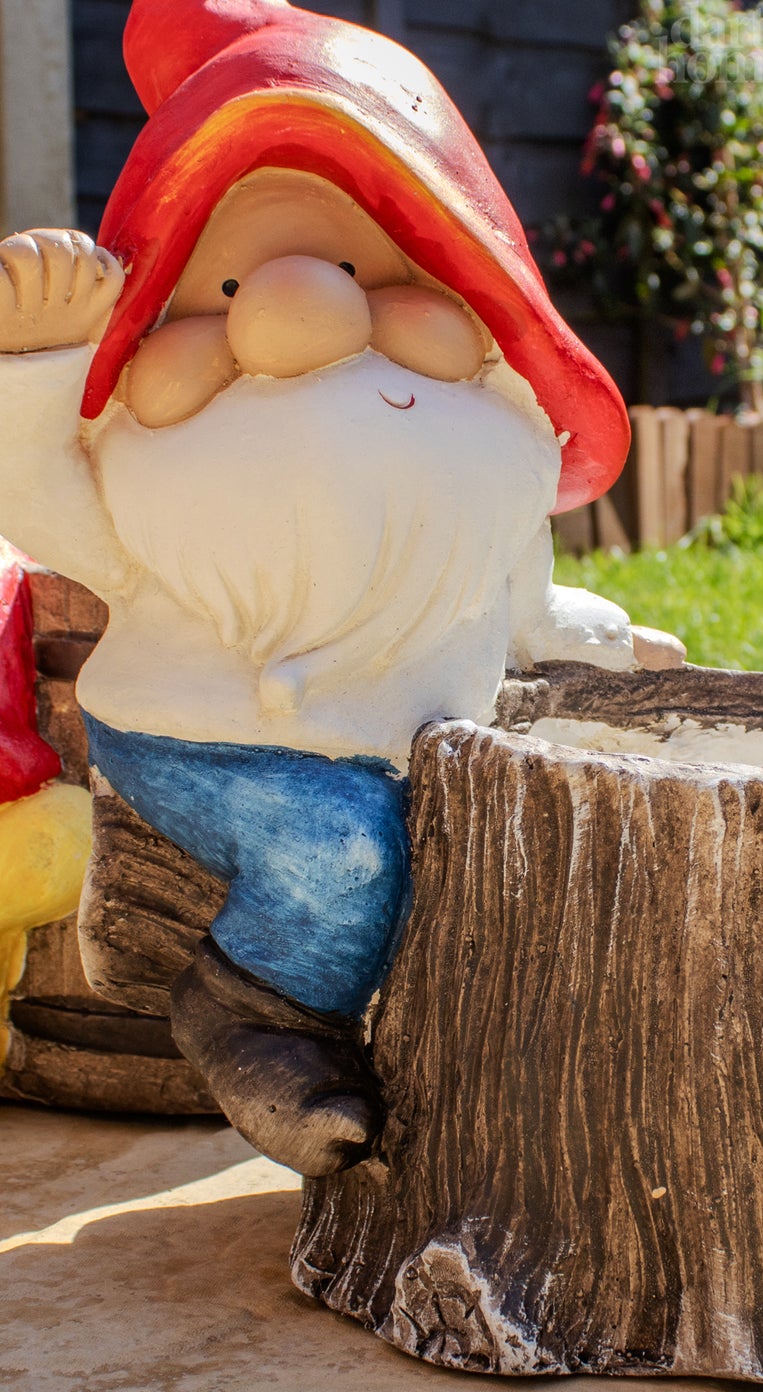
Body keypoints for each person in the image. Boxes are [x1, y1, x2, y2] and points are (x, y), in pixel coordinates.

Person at [0, 0, 683, 1175]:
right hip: (207, 733)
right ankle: (253, 1013)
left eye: (364, 266)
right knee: (343, 844)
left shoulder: (487, 447)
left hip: (423, 729)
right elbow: (44, 505)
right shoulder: (143, 465)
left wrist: (607, 644)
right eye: (224, 285)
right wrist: (41, 369)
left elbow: (518, 605)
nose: (293, 314)